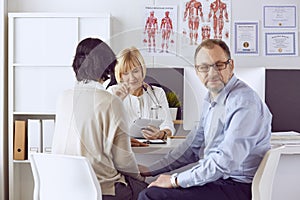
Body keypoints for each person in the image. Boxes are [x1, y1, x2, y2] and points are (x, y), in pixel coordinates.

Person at [138, 39, 272, 200]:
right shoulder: (211, 98)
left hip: (238, 187)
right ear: (197, 71)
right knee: (149, 188)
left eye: (219, 65)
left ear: (231, 65)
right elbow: (192, 147)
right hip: (219, 182)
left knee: (151, 196)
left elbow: (225, 162)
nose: (212, 73)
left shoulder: (244, 102)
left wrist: (174, 180)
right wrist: (151, 170)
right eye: (204, 67)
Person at [51, 38, 147, 200]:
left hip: (64, 186)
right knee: (147, 191)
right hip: (100, 189)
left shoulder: (64, 97)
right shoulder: (110, 101)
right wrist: (139, 174)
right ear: (108, 67)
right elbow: (123, 161)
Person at [107, 46, 175, 140]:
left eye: (135, 71)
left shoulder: (157, 93)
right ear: (120, 76)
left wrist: (161, 134)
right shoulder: (112, 92)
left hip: (154, 150)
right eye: (125, 73)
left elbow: (169, 127)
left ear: (142, 70)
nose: (132, 78)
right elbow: (105, 129)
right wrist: (117, 101)